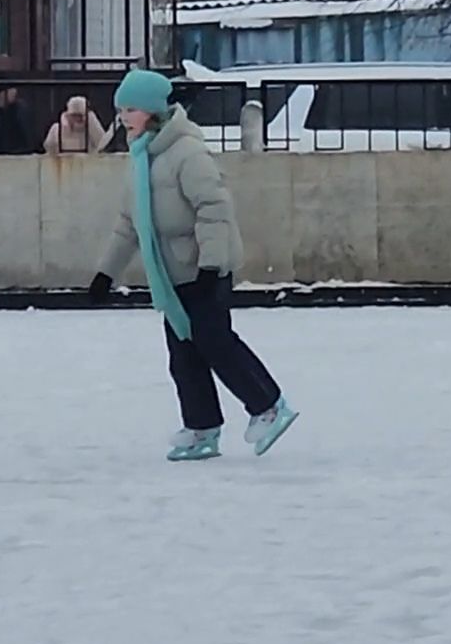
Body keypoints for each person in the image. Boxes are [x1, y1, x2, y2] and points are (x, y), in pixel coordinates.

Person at [89, 69, 298, 461]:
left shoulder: (187, 152)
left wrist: (210, 267)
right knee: (184, 355)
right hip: (173, 277)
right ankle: (202, 428)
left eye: (130, 109)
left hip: (204, 271)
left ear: (153, 110)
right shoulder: (142, 156)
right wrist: (105, 274)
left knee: (215, 343)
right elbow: (128, 223)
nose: (122, 117)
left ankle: (269, 406)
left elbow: (214, 209)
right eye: (120, 109)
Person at [45, 95, 111, 154]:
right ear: (68, 115)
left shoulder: (91, 128)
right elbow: (49, 150)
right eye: (75, 115)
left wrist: (93, 122)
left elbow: (103, 145)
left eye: (82, 115)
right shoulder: (56, 129)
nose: (79, 118)